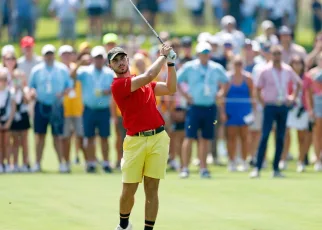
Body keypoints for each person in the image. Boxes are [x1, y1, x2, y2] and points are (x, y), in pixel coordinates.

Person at [109, 44, 176, 230]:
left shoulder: (144, 83)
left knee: (152, 189)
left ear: (127, 60)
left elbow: (171, 88)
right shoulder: (118, 85)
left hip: (158, 138)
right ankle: (123, 225)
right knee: (129, 189)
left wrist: (171, 64)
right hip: (135, 140)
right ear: (110, 66)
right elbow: (147, 75)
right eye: (115, 61)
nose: (120, 63)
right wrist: (163, 56)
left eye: (122, 58)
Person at [177, 42, 229, 179]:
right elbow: (176, 80)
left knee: (206, 138)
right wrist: (185, 95)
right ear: (198, 54)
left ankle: (203, 168)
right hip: (194, 107)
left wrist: (221, 93)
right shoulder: (190, 67)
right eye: (202, 53)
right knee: (189, 137)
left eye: (207, 53)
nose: (204, 56)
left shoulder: (216, 68)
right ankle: (185, 168)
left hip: (210, 106)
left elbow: (226, 81)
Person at [250, 45, 302, 178]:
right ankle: (258, 167)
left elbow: (298, 83)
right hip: (270, 106)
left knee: (280, 137)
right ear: (271, 55)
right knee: (265, 136)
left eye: (279, 54)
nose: (277, 57)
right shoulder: (265, 70)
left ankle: (276, 168)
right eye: (274, 54)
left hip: (282, 105)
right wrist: (263, 103)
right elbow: (257, 89)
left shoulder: (287, 69)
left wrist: (292, 98)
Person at [29, 44, 72, 173]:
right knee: (39, 135)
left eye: (51, 54)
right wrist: (32, 92)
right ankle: (37, 163)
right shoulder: (36, 70)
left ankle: (61, 164)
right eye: (47, 54)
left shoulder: (62, 69)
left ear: (54, 55)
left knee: (57, 136)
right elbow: (32, 86)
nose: (49, 57)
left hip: (57, 106)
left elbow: (69, 86)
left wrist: (63, 93)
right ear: (43, 56)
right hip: (41, 104)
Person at [70, 46, 114, 173]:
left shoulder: (109, 72)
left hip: (103, 109)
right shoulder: (85, 71)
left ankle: (106, 162)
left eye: (100, 57)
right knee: (89, 137)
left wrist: (109, 91)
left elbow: (116, 87)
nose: (98, 60)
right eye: (96, 57)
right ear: (92, 59)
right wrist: (79, 63)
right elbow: (72, 76)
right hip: (89, 109)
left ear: (104, 59)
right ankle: (91, 163)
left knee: (104, 137)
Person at [222, 56, 254, 172]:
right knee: (231, 137)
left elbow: (252, 96)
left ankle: (244, 161)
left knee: (245, 137)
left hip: (245, 111)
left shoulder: (248, 78)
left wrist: (253, 112)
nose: (238, 66)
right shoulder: (228, 78)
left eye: (240, 63)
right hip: (231, 111)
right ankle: (232, 161)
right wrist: (223, 112)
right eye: (236, 63)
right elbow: (223, 96)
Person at [280, 55, 312, 172]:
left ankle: (301, 161)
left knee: (301, 136)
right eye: (295, 63)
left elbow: (309, 95)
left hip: (302, 109)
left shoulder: (307, 78)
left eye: (299, 63)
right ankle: (283, 159)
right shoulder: (286, 76)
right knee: (286, 134)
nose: (297, 65)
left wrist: (309, 109)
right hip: (289, 108)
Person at [3, 52, 31, 173]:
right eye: (8, 59)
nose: (10, 61)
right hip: (8, 109)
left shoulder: (20, 73)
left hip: (20, 107)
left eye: (13, 59)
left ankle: (24, 163)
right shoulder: (2, 73)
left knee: (23, 139)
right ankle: (11, 164)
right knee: (10, 139)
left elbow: (24, 90)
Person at [59, 45, 85, 172]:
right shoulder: (59, 69)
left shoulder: (76, 67)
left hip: (78, 108)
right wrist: (80, 62)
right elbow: (70, 75)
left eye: (69, 54)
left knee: (80, 136)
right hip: (64, 109)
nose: (67, 56)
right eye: (64, 54)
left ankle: (86, 162)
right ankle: (67, 162)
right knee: (66, 137)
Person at [305, 52, 322, 172]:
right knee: (317, 134)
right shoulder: (312, 74)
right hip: (317, 107)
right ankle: (317, 159)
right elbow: (308, 94)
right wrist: (310, 109)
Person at [0, 68, 16, 173]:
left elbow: (13, 108)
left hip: (7, 120)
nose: (3, 82)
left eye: (5, 79)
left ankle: (7, 163)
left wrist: (8, 122)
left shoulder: (11, 92)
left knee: (7, 143)